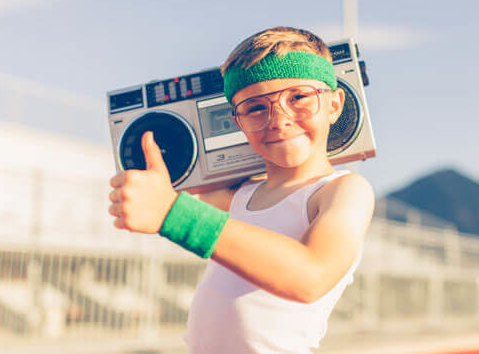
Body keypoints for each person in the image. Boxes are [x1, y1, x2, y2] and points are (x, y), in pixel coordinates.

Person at [108, 26, 375, 353]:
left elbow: (312, 276)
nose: (279, 119)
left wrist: (171, 213)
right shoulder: (239, 197)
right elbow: (181, 186)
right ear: (238, 122)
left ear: (334, 105)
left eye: (299, 97)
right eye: (256, 108)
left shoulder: (343, 191)